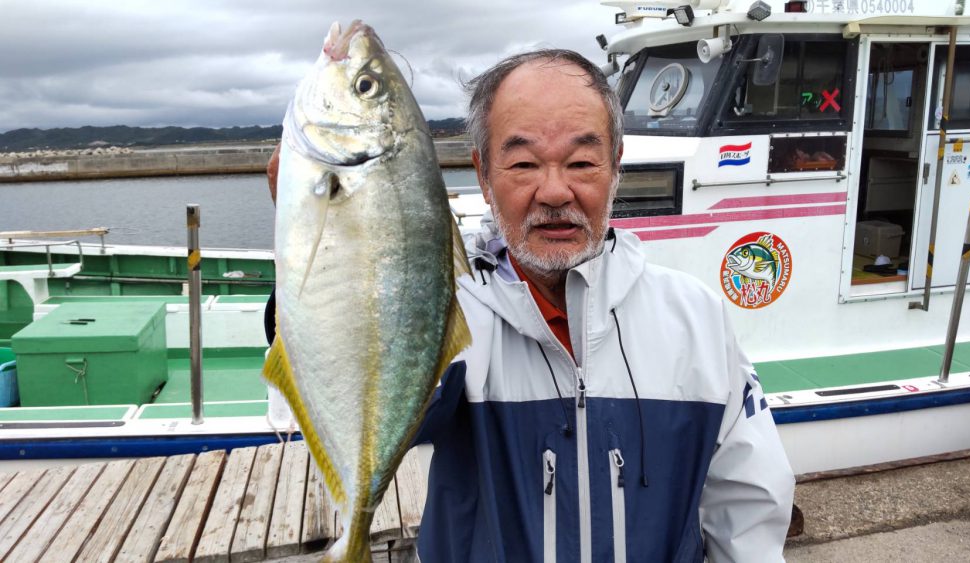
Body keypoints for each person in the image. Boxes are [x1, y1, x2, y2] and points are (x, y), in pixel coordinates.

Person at [265, 49, 794, 562]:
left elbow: (746, 502)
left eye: (582, 161)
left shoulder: (694, 318)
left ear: (616, 167)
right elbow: (346, 391)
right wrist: (331, 250)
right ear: (483, 174)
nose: (555, 191)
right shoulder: (454, 311)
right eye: (522, 163)